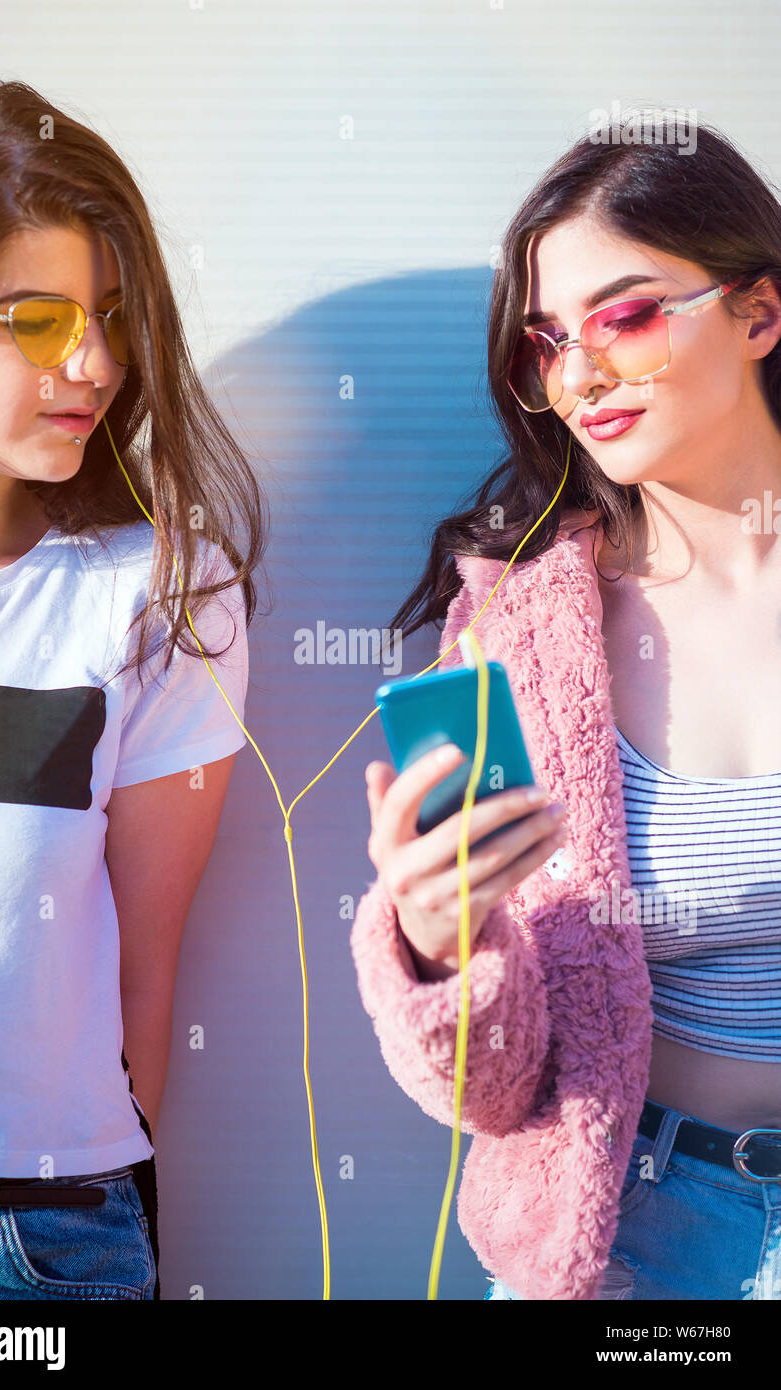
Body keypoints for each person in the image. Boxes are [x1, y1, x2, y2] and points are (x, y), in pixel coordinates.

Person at [351, 113, 781, 1300]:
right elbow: (489, 1091)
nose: (580, 372)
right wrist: (440, 944)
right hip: (636, 1237)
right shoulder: (513, 637)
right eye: (550, 338)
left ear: (759, 312)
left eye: (627, 314)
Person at [0, 78, 265, 1300]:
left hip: (36, 1235)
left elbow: (142, 974)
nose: (98, 363)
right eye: (38, 318)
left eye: (112, 317)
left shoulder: (160, 591)